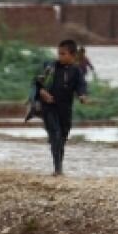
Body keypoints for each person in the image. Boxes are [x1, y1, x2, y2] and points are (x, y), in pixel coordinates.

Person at [33, 39, 89, 176]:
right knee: (55, 135)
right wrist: (42, 92)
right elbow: (36, 83)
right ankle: (58, 169)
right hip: (49, 107)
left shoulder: (76, 71)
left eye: (63, 54)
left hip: (65, 109)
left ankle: (58, 165)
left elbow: (81, 85)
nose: (60, 56)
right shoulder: (50, 67)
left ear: (73, 55)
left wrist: (82, 95)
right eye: (59, 53)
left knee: (62, 137)